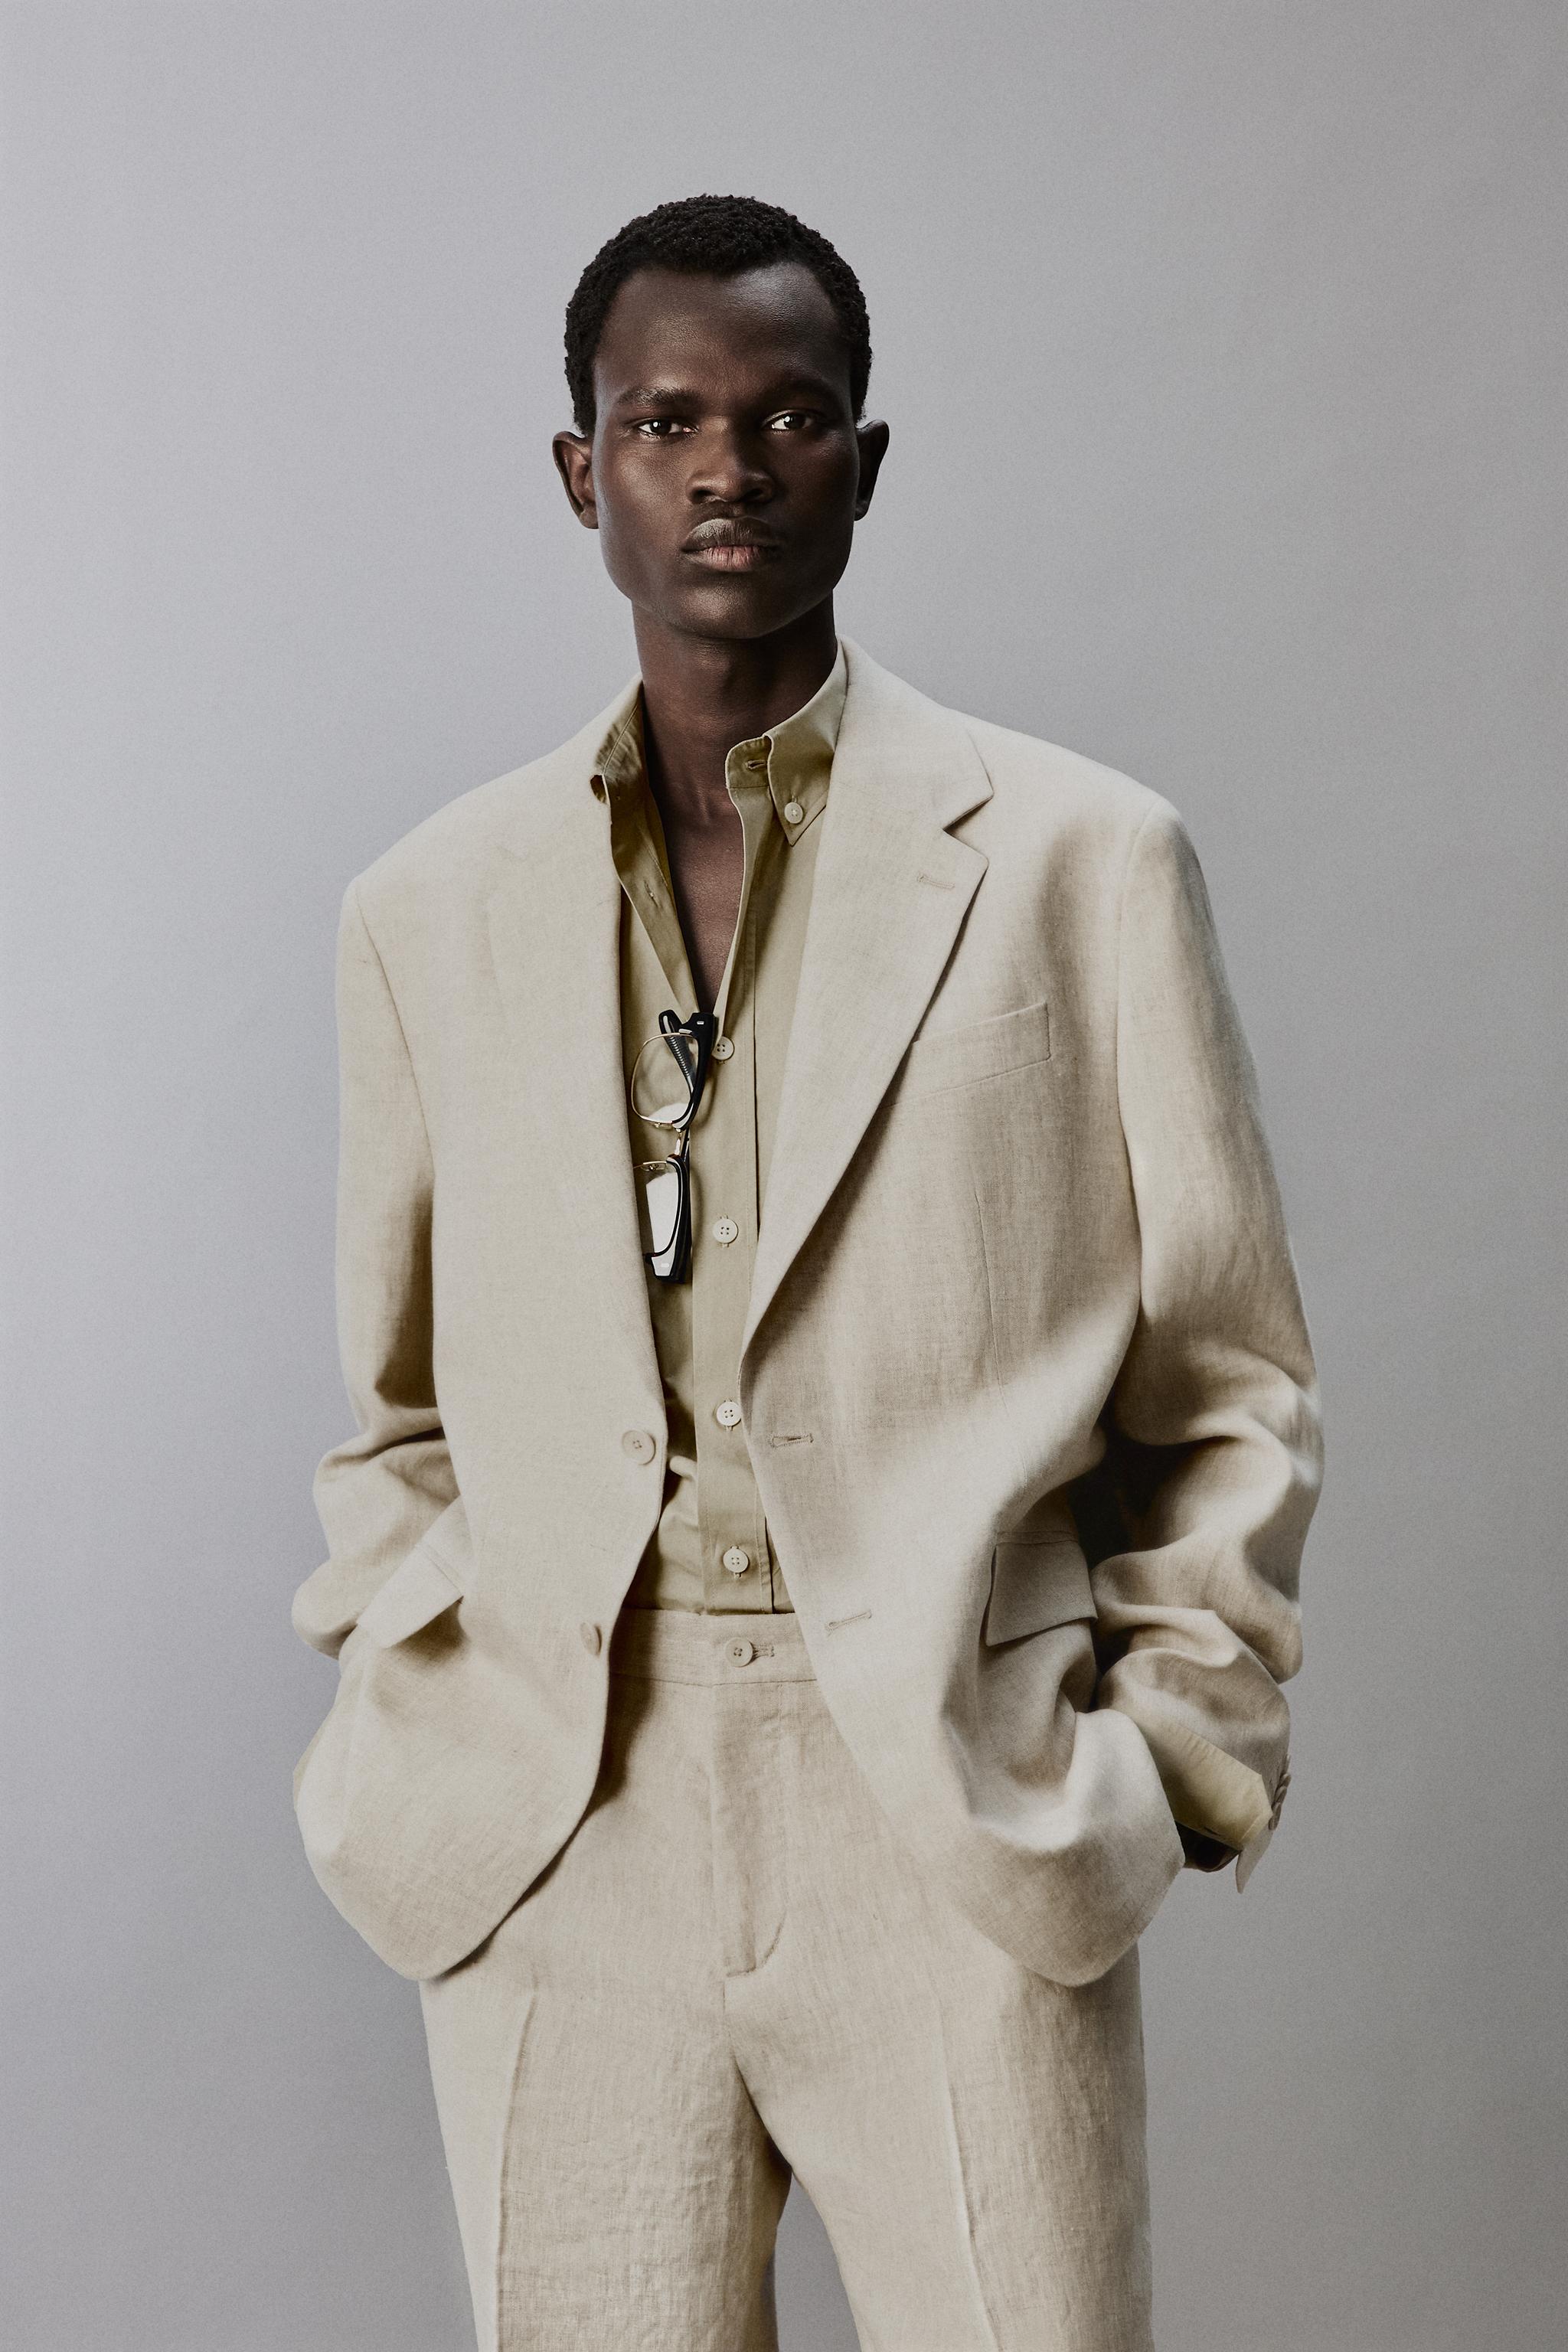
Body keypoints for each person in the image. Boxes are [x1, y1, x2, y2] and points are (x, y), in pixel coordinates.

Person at [290, 193, 1322, 2352]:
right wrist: (420, 1681)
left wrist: (1167, 1754)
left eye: (785, 417)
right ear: (581, 470)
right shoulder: (427, 909)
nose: (724, 470)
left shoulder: (1082, 862)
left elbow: (1230, 1380)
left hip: (957, 1796)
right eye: (663, 422)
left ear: (865, 461)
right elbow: (393, 1408)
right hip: (563, 1812)